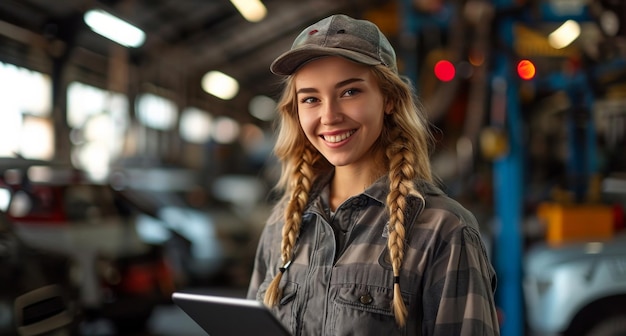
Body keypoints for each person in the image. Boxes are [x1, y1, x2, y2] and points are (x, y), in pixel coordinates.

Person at [246, 14, 500, 335]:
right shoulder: (283, 224)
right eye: (311, 98)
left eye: (350, 92)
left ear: (390, 99)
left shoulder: (443, 232)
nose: (329, 115)